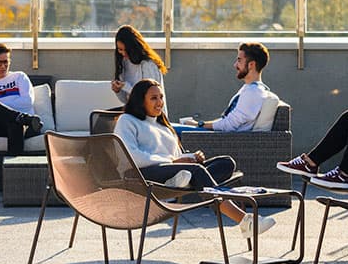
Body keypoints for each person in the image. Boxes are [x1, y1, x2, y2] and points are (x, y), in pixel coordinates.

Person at [114, 79, 275, 238]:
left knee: (226, 163)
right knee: (197, 172)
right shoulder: (127, 121)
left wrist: (190, 157)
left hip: (167, 170)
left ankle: (181, 181)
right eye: (154, 98)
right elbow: (130, 156)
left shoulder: (162, 125)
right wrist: (172, 162)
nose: (160, 102)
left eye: (161, 97)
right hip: (139, 174)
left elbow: (175, 156)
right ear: (140, 100)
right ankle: (244, 220)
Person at [179, 42, 274, 133]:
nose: (235, 65)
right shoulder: (252, 89)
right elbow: (229, 121)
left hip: (219, 139)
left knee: (168, 131)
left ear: (251, 65)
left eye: (239, 60)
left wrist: (199, 124)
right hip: (219, 136)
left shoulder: (253, 92)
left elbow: (229, 125)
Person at [111, 25, 167, 109]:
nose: (123, 53)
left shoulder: (147, 65)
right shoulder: (123, 63)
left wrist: (125, 86)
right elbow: (127, 100)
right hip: (134, 114)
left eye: (127, 50)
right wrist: (118, 91)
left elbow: (150, 97)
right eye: (120, 50)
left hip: (151, 116)